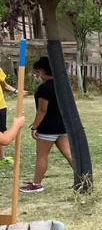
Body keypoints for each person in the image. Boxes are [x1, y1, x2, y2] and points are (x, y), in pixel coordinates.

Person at [21, 57, 73, 194]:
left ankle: (36, 184)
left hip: (48, 127)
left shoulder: (44, 88)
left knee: (42, 156)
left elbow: (42, 110)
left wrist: (34, 126)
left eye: (36, 72)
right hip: (62, 125)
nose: (35, 75)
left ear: (41, 71)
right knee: (68, 153)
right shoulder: (62, 85)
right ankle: (83, 177)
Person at [0, 65, 17, 165]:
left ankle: (1, 157)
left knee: (1, 132)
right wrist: (17, 124)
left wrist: (16, 91)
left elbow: (4, 85)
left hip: (0, 106)